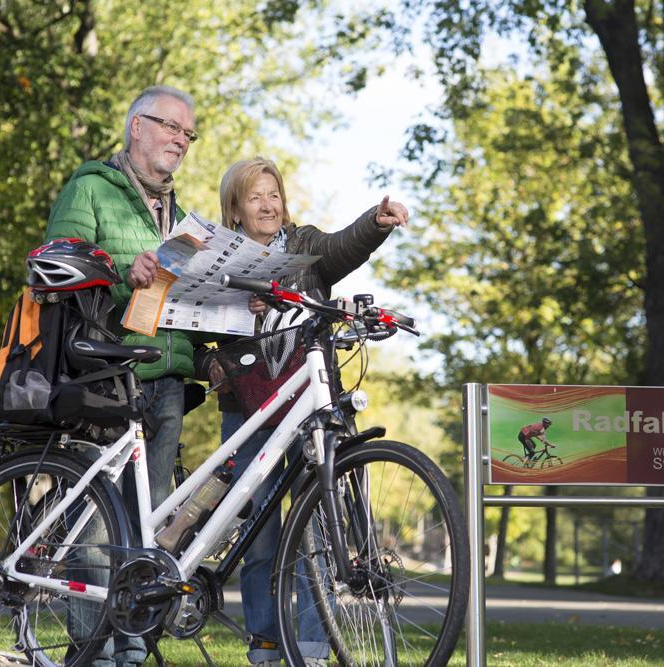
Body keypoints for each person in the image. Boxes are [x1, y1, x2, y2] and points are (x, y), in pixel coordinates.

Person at [196, 156, 408, 667]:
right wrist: (212, 365)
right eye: (255, 197)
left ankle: (311, 649)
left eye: (273, 194)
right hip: (248, 416)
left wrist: (375, 223)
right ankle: (266, 645)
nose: (268, 205)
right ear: (235, 210)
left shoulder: (306, 246)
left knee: (317, 535)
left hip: (310, 413)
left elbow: (343, 246)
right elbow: (193, 331)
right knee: (261, 539)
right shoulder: (223, 261)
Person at [45, 84, 201, 666]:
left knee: (145, 528)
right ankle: (92, 653)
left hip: (164, 384)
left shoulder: (184, 219)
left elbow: (184, 305)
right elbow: (52, 266)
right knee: (93, 531)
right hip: (100, 377)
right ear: (137, 126)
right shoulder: (90, 188)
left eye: (188, 133)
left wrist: (209, 345)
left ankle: (130, 650)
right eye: (170, 127)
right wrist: (116, 273)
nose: (180, 141)